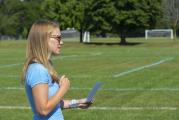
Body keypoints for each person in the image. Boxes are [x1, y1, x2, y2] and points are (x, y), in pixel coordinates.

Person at [22, 20, 92, 120]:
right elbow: (43, 110)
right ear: (43, 39)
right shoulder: (38, 70)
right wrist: (63, 88)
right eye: (58, 38)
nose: (61, 42)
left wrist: (77, 103)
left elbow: (54, 104)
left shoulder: (45, 66)